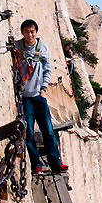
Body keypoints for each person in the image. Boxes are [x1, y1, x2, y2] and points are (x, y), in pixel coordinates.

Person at [15, 19, 68, 176]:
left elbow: (47, 69)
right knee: (29, 133)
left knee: (48, 131)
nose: (29, 34)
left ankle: (55, 163)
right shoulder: (17, 46)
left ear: (36, 32)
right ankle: (36, 165)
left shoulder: (42, 47)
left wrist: (44, 88)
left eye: (32, 31)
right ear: (22, 32)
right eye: (26, 31)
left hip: (39, 95)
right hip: (25, 97)